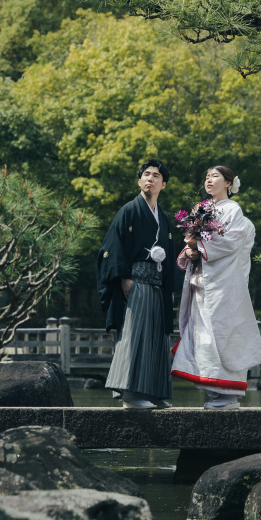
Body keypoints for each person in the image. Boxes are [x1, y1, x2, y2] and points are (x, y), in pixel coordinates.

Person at [172, 164, 261, 409]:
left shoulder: (233, 209)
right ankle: (215, 390)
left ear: (228, 182)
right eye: (207, 176)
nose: (209, 180)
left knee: (223, 332)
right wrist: (191, 250)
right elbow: (198, 241)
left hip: (223, 284)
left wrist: (200, 247)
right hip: (204, 280)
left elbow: (230, 241)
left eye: (215, 176)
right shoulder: (202, 208)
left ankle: (228, 393)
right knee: (203, 335)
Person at [98, 159, 175, 410]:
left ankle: (153, 392)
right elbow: (112, 246)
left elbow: (171, 256)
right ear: (139, 181)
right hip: (136, 280)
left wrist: (169, 288)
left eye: (156, 176)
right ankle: (130, 396)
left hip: (157, 283)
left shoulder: (163, 218)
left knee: (157, 338)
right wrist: (123, 276)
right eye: (146, 175)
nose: (150, 179)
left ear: (163, 185)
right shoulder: (129, 210)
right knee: (135, 335)